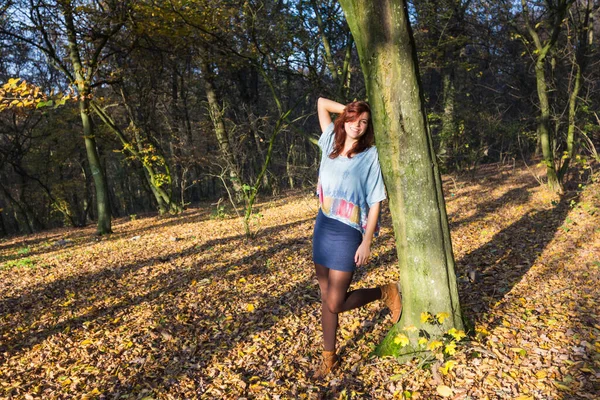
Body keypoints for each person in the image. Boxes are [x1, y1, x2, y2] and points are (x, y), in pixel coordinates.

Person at [312, 97, 402, 380]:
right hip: (323, 225)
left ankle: (385, 292)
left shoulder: (370, 156)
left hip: (348, 231)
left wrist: (367, 241)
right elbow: (321, 103)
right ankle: (329, 358)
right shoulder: (330, 143)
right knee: (326, 297)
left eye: (364, 122)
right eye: (353, 120)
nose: (358, 126)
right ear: (345, 120)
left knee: (335, 302)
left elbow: (376, 200)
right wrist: (352, 111)